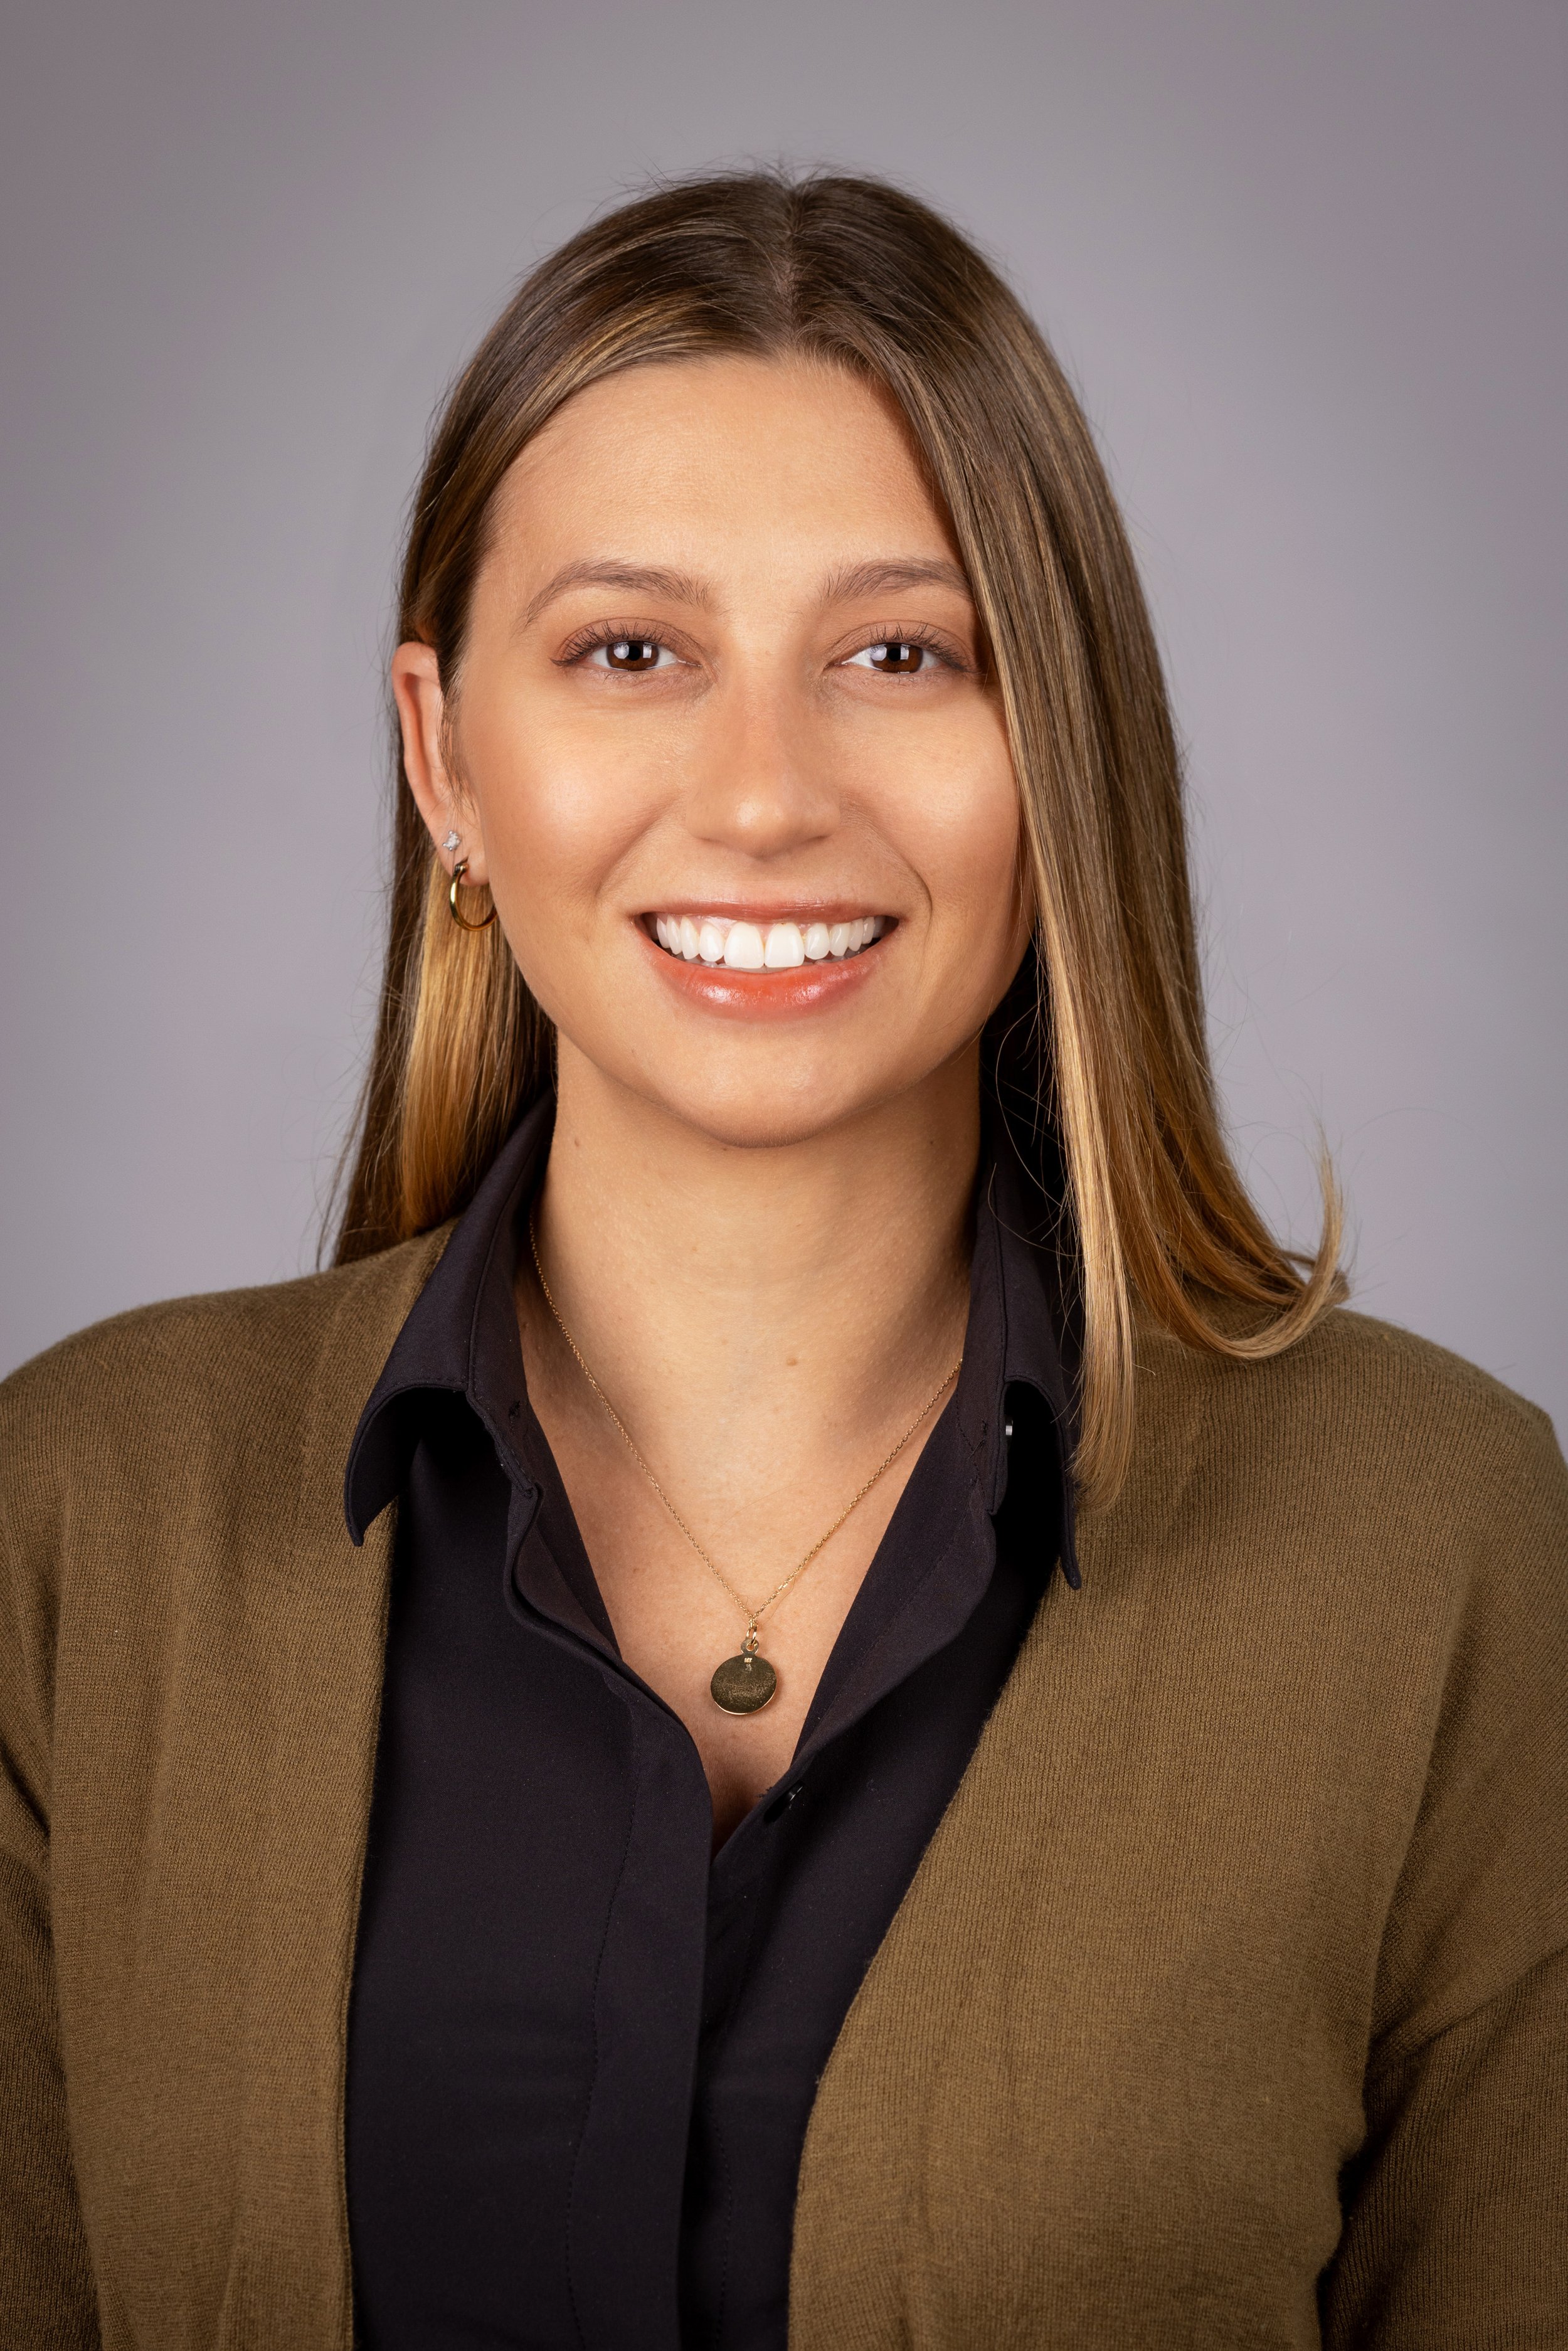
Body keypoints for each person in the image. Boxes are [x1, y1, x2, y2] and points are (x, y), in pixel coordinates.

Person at [2, 169, 1563, 2351]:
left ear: (1059, 752)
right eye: (631, 652)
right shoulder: (78, 1518)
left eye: (900, 654)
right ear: (447, 757)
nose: (760, 796)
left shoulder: (1449, 1548)